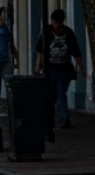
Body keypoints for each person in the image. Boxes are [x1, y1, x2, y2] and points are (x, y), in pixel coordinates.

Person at [35, 8, 82, 142]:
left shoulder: (68, 33)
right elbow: (40, 50)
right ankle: (54, 120)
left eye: (59, 23)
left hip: (63, 67)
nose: (57, 26)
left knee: (61, 92)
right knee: (53, 95)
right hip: (50, 68)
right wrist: (38, 66)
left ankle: (63, 118)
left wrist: (81, 68)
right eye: (55, 23)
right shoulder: (46, 32)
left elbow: (75, 51)